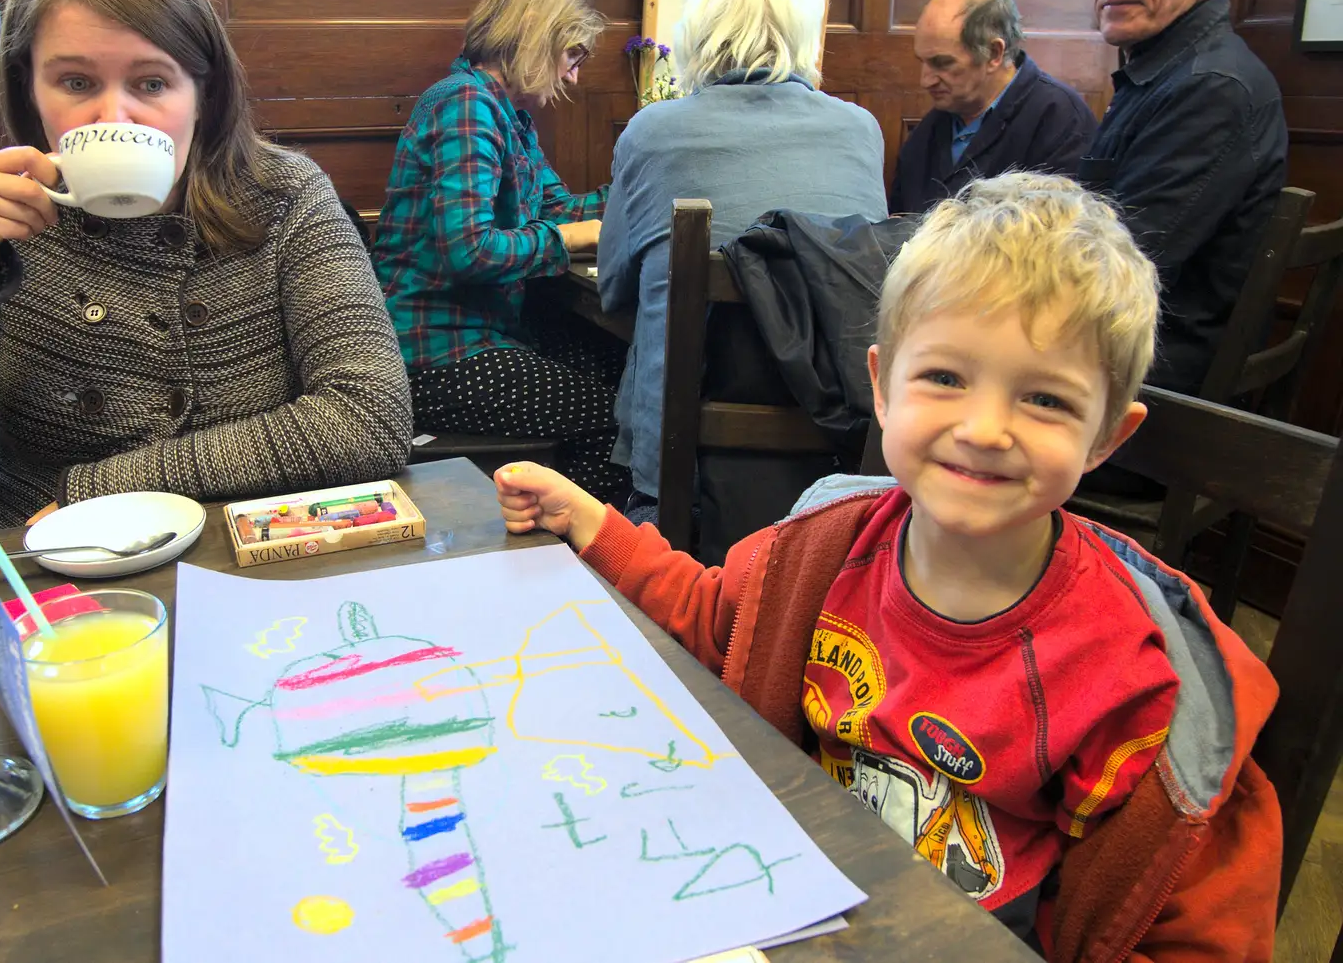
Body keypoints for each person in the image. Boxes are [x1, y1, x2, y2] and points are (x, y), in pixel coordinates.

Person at [495, 173, 1279, 954]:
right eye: (944, 378)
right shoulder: (821, 551)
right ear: (881, 385)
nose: (984, 428)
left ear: (1107, 436)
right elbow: (715, 621)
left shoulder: (1132, 678)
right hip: (787, 893)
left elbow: (1193, 920)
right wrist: (595, 525)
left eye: (1045, 400)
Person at [0, 0, 412, 529]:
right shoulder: (2, 215)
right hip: (32, 560)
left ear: (203, 94)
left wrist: (101, 489)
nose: (114, 118)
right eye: (77, 83)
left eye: (152, 83)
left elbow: (369, 418)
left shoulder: (286, 198)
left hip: (232, 549)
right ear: (30, 89)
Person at [597, 0, 886, 522]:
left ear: (698, 29)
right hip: (839, 465)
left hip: (687, 485)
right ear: (809, 29)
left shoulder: (652, 132)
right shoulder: (862, 131)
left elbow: (613, 291)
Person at [373, 0, 628, 503]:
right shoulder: (464, 103)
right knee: (614, 417)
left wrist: (639, 187)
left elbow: (557, 207)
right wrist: (565, 241)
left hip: (482, 335)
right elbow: (469, 250)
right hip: (435, 355)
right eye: (573, 54)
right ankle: (575, 557)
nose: (574, 77)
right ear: (536, 30)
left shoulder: (508, 116)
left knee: (626, 373)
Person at [1081, 0, 1286, 395]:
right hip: (1113, 355)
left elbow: (1106, 276)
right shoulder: (1165, 74)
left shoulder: (1211, 87)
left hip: (1152, 388)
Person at [890, 0, 1097, 217]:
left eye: (942, 63)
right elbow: (899, 225)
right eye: (923, 62)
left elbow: (1068, 239)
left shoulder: (1061, 121)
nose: (925, 80)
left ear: (994, 53)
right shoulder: (928, 132)